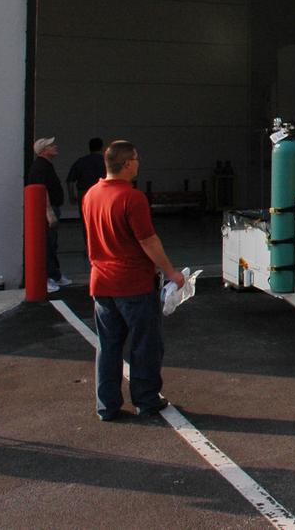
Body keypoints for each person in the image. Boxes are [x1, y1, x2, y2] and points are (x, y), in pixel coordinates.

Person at [82, 140, 185, 421]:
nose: (139, 163)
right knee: (145, 346)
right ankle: (146, 400)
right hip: (133, 285)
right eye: (136, 159)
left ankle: (107, 406)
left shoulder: (91, 195)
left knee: (108, 347)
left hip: (101, 283)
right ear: (127, 164)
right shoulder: (132, 198)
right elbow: (147, 240)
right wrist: (172, 272)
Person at [26, 137, 70, 292]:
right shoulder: (40, 167)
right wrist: (49, 213)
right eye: (51, 145)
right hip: (47, 211)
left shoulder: (46, 166)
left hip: (51, 208)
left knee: (52, 243)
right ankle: (46, 277)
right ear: (43, 150)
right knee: (47, 244)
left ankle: (54, 274)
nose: (55, 147)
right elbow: (41, 191)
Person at [67, 137, 107, 203]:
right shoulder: (107, 162)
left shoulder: (81, 161)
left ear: (90, 148)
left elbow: (70, 181)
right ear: (101, 148)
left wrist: (72, 196)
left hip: (84, 193)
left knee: (85, 213)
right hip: (102, 193)